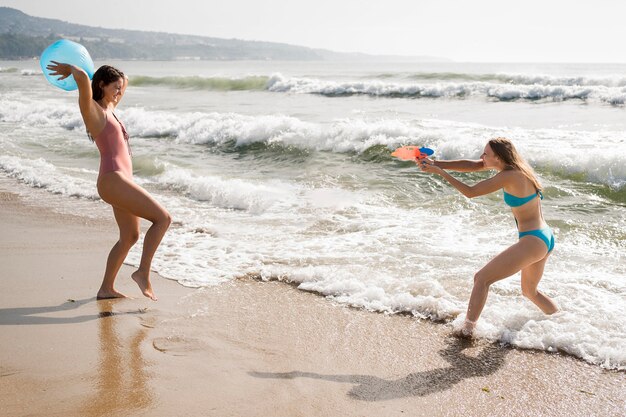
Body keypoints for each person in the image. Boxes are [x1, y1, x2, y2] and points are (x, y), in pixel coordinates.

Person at [46, 62, 171, 301]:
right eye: (115, 87)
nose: (119, 92)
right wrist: (73, 68)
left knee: (130, 236)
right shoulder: (93, 111)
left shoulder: (111, 108)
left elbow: (125, 80)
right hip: (112, 179)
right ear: (101, 85)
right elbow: (83, 79)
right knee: (163, 218)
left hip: (120, 181)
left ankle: (106, 288)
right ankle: (143, 272)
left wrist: (119, 79)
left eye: (120, 88)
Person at [419, 137, 558, 336]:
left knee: (481, 278)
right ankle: (561, 322)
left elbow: (471, 192)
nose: (481, 157)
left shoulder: (509, 176)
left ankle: (467, 330)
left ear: (499, 158)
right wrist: (436, 163)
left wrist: (440, 173)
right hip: (543, 236)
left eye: (486, 154)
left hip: (533, 240)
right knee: (530, 292)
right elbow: (474, 165)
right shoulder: (516, 167)